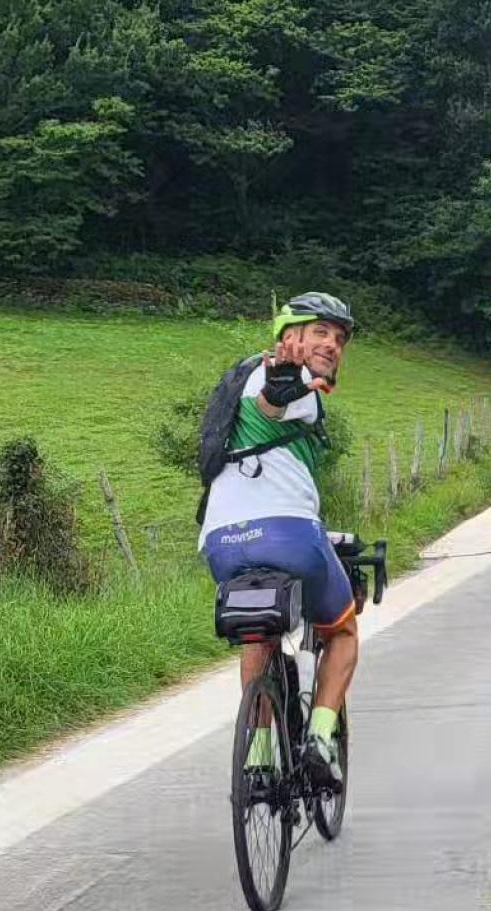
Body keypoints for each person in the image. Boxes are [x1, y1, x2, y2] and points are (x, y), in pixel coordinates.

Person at [199, 292, 357, 788]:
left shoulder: (238, 380)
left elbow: (264, 406)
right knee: (344, 633)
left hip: (222, 543)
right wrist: (286, 381)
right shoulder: (295, 385)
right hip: (289, 535)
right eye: (319, 333)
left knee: (259, 635)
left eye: (339, 338)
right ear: (289, 338)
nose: (332, 345)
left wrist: (280, 383)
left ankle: (261, 756)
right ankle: (321, 739)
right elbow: (276, 398)